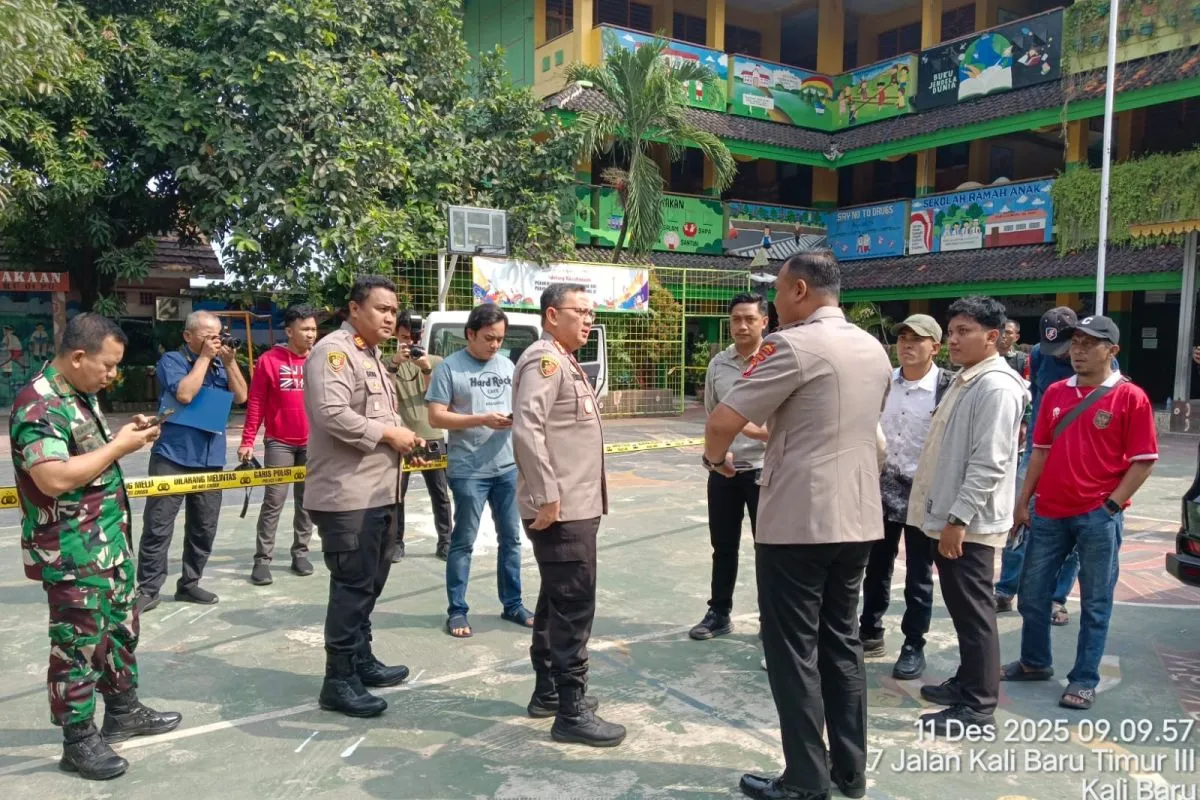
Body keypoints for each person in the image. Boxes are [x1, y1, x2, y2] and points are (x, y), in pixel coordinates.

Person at [705, 252, 891, 800]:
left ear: (801, 290)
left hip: (799, 521)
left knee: (792, 651)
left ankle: (806, 779)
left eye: (779, 292)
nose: (775, 304)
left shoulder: (791, 346)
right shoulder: (872, 348)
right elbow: (872, 437)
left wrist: (714, 460)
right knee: (842, 641)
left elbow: (723, 420)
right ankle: (849, 771)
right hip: (858, 516)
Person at [10, 313, 181, 780]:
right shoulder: (39, 404)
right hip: (72, 551)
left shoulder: (78, 395)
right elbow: (53, 477)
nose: (113, 374)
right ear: (78, 356)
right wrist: (120, 447)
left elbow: (86, 454)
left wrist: (128, 434)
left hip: (107, 543)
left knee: (121, 630)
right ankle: (78, 739)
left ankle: (123, 710)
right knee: (78, 644)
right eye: (108, 365)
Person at [1003, 316, 1157, 711]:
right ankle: (1035, 661)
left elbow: (1143, 460)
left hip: (1097, 516)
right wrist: (1023, 501)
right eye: (1076, 343)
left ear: (1112, 350)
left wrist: (1111, 505)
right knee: (1032, 594)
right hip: (1048, 511)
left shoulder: (1131, 397)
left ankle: (1084, 679)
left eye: (1090, 343)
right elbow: (1040, 451)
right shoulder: (1056, 392)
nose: (1079, 350)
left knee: (1095, 601)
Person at [909, 296, 1028, 736]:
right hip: (954, 517)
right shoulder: (968, 379)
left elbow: (989, 463)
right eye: (951, 331)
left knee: (975, 613)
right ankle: (968, 682)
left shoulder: (996, 387)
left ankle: (978, 707)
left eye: (964, 332)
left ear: (992, 337)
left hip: (970, 524)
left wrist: (957, 520)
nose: (953, 340)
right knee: (963, 610)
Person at [304, 275, 422, 717]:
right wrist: (389, 434)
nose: (390, 318)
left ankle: (359, 658)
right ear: (354, 309)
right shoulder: (333, 352)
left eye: (394, 311)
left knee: (370, 583)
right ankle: (338, 680)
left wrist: (403, 438)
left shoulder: (370, 355)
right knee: (352, 587)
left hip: (379, 491)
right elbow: (331, 414)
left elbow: (379, 415)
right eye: (381, 309)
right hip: (346, 495)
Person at [513, 283, 623, 746]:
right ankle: (571, 711)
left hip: (574, 505)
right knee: (574, 605)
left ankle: (549, 692)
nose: (589, 320)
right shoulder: (545, 361)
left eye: (592, 313)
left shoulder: (565, 359)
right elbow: (527, 428)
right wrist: (546, 495)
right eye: (581, 311)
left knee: (556, 600)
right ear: (553, 315)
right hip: (561, 510)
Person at [994, 307, 1113, 623]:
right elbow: (1035, 397)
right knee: (1019, 520)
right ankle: (1005, 590)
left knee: (1073, 534)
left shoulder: (1103, 362)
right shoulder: (1038, 354)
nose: (1064, 355)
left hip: (1081, 460)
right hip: (1039, 450)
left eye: (1066, 346)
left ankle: (1057, 599)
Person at [426, 304, 533, 638]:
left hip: (506, 468)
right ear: (470, 334)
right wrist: (481, 419)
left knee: (511, 539)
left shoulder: (507, 365)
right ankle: (457, 611)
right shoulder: (449, 368)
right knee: (464, 541)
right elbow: (436, 416)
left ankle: (513, 604)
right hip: (469, 470)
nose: (495, 345)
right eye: (489, 338)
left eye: (500, 338)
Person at [860, 314, 953, 682]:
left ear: (935, 347)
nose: (908, 345)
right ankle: (870, 631)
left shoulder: (947, 389)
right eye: (903, 338)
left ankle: (914, 644)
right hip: (881, 488)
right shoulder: (884, 382)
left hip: (923, 493)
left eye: (917, 339)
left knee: (918, 574)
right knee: (875, 567)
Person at [136, 310, 248, 611]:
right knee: (158, 526)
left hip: (210, 458)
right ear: (188, 336)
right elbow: (185, 394)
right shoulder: (172, 361)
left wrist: (229, 362)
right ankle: (148, 589)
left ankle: (190, 583)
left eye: (218, 335)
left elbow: (241, 396)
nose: (215, 340)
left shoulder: (221, 364)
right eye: (208, 335)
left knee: (204, 526)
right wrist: (205, 359)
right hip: (172, 456)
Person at [689, 293, 769, 641]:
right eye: (736, 319)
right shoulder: (718, 365)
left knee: (769, 550)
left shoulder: (777, 360)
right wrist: (716, 456)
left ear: (764, 321)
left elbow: (785, 422)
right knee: (723, 546)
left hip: (766, 470)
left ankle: (772, 620)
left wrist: (748, 429)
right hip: (724, 469)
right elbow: (713, 415)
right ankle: (719, 613)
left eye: (750, 319)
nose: (742, 326)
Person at [239, 306, 318, 586]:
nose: (311, 335)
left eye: (313, 329)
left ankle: (301, 553)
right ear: (289, 331)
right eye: (305, 329)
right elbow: (256, 402)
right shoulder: (269, 361)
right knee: (274, 501)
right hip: (279, 443)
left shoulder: (320, 360)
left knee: (307, 501)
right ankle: (262, 560)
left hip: (313, 443)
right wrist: (247, 440)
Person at [390, 310, 452, 561]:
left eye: (414, 338)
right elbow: (386, 397)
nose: (410, 343)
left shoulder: (436, 362)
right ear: (396, 335)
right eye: (405, 338)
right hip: (401, 437)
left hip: (433, 436)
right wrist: (394, 364)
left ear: (422, 335)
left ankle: (446, 541)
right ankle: (396, 543)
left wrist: (426, 370)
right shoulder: (388, 363)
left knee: (440, 493)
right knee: (397, 494)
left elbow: (440, 399)